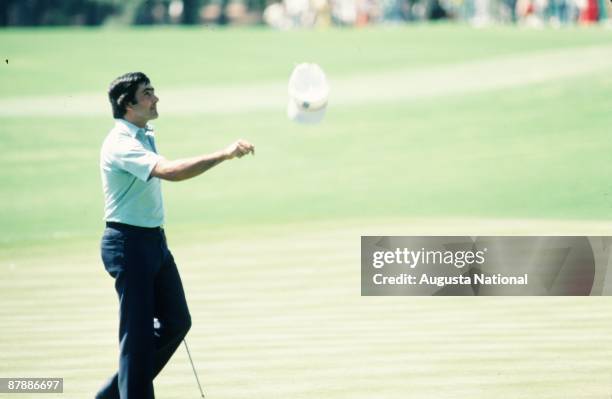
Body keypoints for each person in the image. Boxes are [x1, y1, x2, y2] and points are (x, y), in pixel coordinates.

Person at [96, 72, 254, 399]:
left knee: (177, 321)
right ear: (128, 104)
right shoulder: (120, 143)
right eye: (147, 93)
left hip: (153, 242)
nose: (155, 98)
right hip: (127, 244)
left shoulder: (143, 133)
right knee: (136, 337)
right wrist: (224, 155)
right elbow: (171, 172)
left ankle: (111, 395)